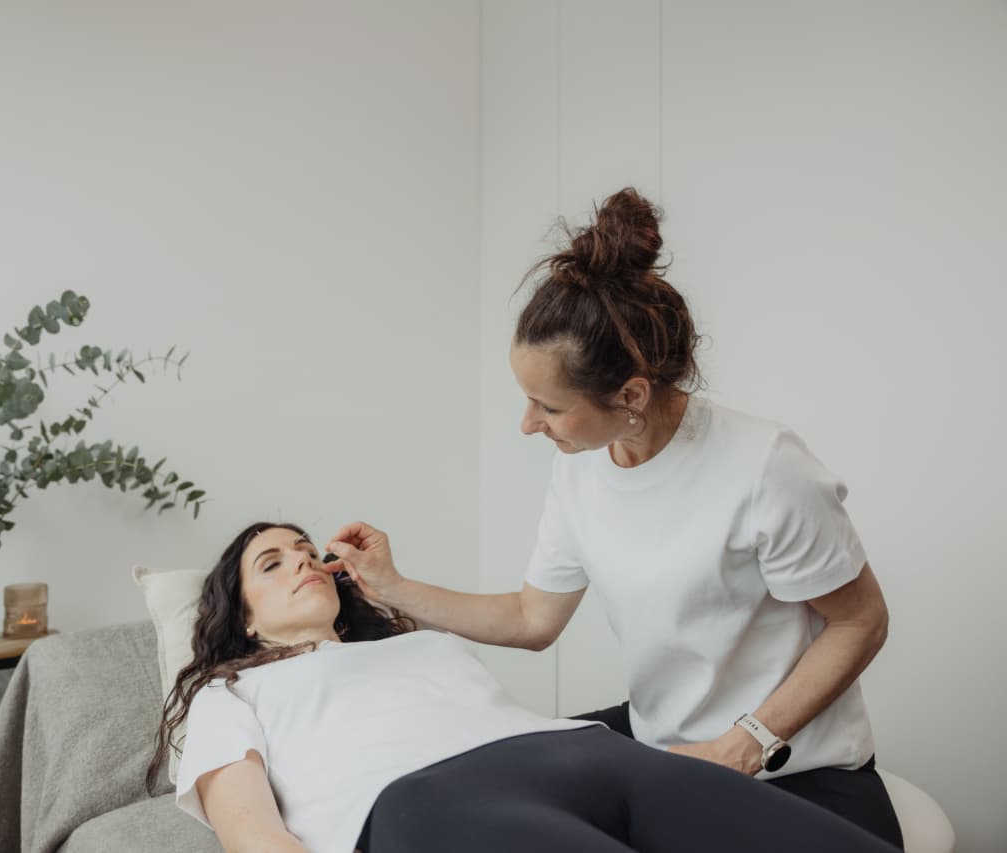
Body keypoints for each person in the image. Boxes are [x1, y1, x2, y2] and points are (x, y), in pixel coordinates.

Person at [318, 187, 903, 847]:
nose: (527, 424)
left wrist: (744, 745)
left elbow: (861, 621)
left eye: (548, 406)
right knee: (442, 795)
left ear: (631, 395)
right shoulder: (582, 468)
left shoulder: (764, 466)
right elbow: (532, 619)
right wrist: (392, 586)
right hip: (660, 754)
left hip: (790, 770)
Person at [150, 522, 900, 853]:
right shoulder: (232, 694)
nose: (302, 562)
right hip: (429, 800)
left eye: (304, 550)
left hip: (585, 753)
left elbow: (523, 637)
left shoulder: (420, 644)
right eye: (272, 564)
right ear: (244, 619)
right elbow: (251, 831)